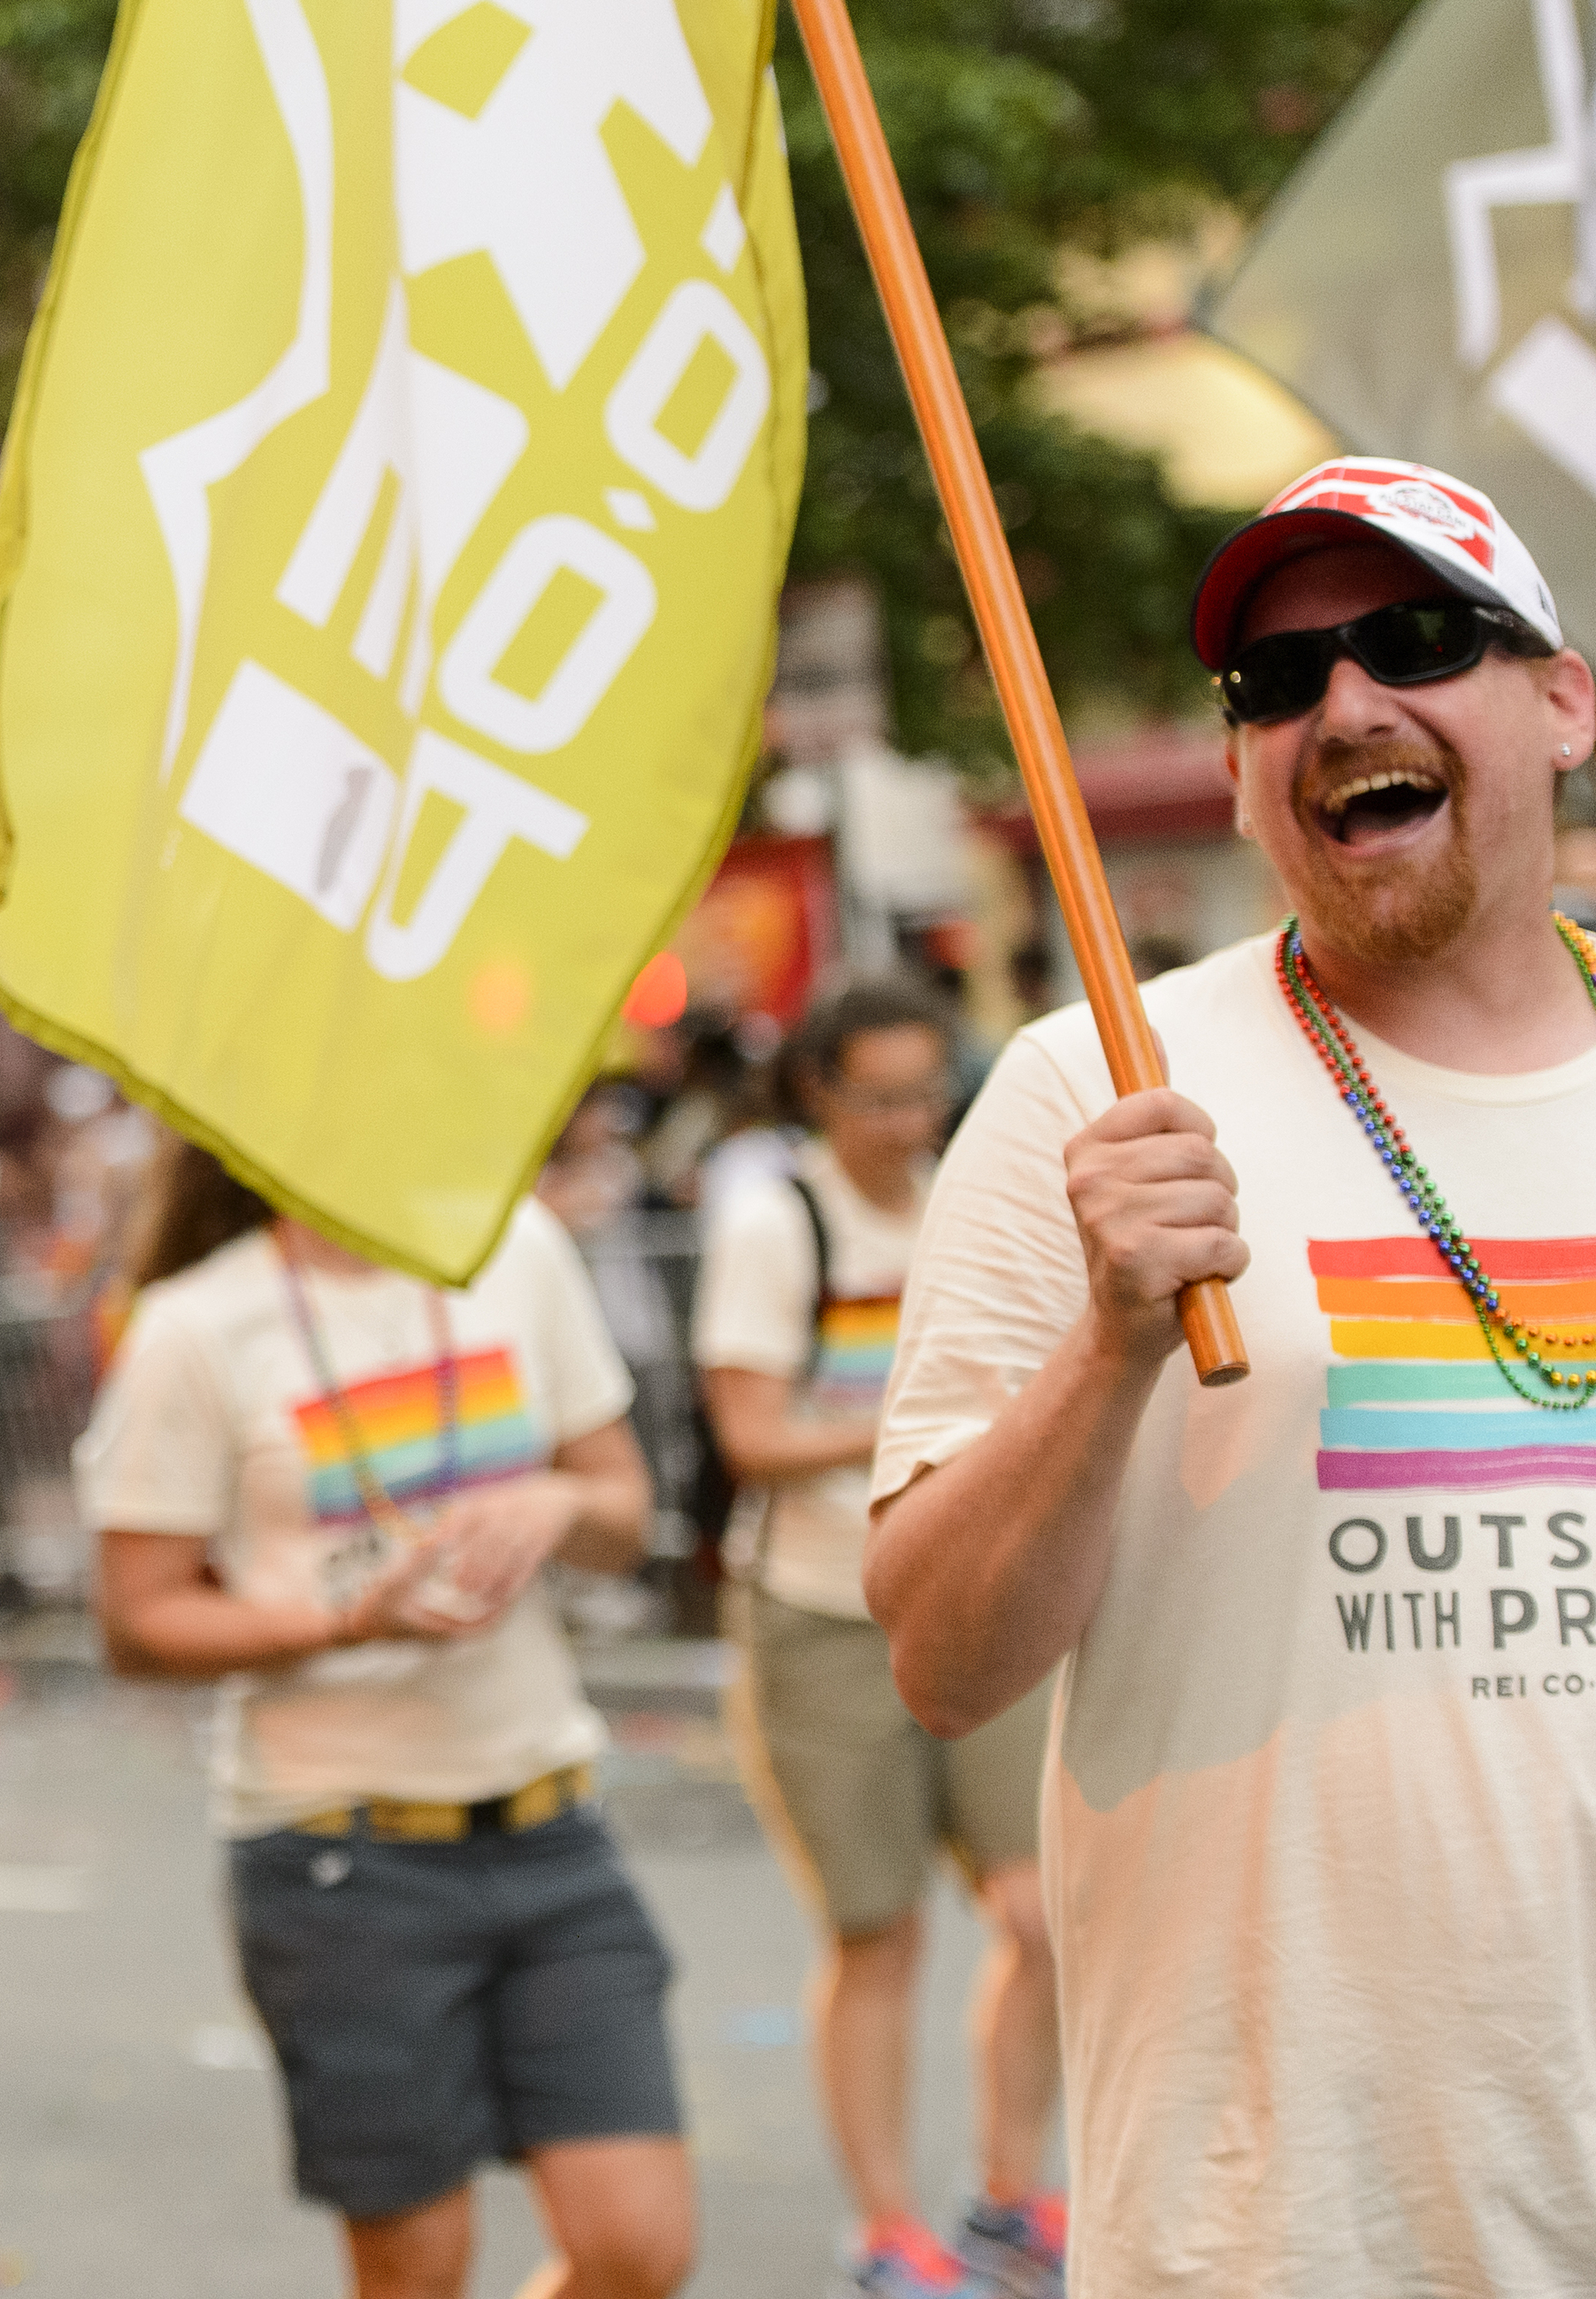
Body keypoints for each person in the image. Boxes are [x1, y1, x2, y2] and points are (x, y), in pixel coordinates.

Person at [865, 456, 1596, 2291]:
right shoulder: (1092, 1092)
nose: (1340, 705)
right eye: (1271, 684)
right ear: (1232, 771)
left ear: (1556, 703)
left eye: (1414, 638)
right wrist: (1111, 1345)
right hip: (1282, 2232)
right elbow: (939, 1660)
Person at [82, 1141, 690, 2299]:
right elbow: (138, 1620)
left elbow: (623, 1508)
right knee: (417, 2273)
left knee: (639, 2247)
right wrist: (341, 1621)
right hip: (339, 1856)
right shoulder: (197, 1323)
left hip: (549, 1821)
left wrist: (558, 1500)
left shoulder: (514, 1246)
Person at [694, 982, 1058, 2299]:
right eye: (881, 1096)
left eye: (926, 1091)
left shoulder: (969, 1192)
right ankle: (886, 2225)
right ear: (818, 1095)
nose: (909, 1120)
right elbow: (752, 1435)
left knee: (1043, 1905)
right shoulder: (776, 1218)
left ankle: (1016, 2191)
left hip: (977, 1590)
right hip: (822, 1611)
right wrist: (919, 1417)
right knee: (879, 1930)